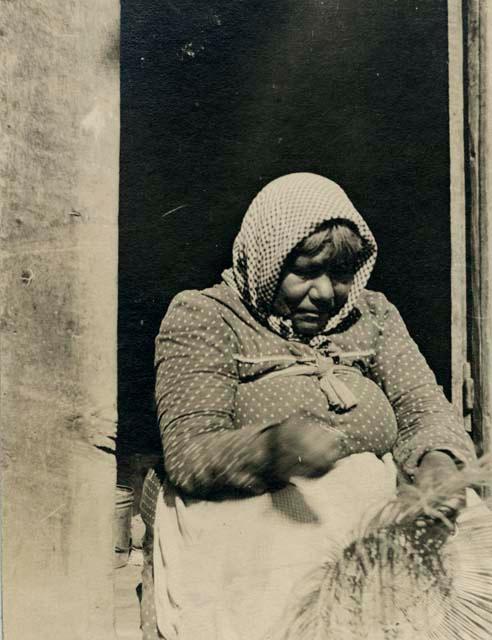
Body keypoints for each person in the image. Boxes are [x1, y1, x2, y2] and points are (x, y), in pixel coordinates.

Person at [139, 173, 476, 640]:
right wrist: (275, 450)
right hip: (257, 507)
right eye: (304, 271)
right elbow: (190, 451)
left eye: (340, 274)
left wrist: (439, 466)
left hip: (375, 501)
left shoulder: (373, 314)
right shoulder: (205, 314)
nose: (324, 292)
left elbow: (423, 406)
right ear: (267, 259)